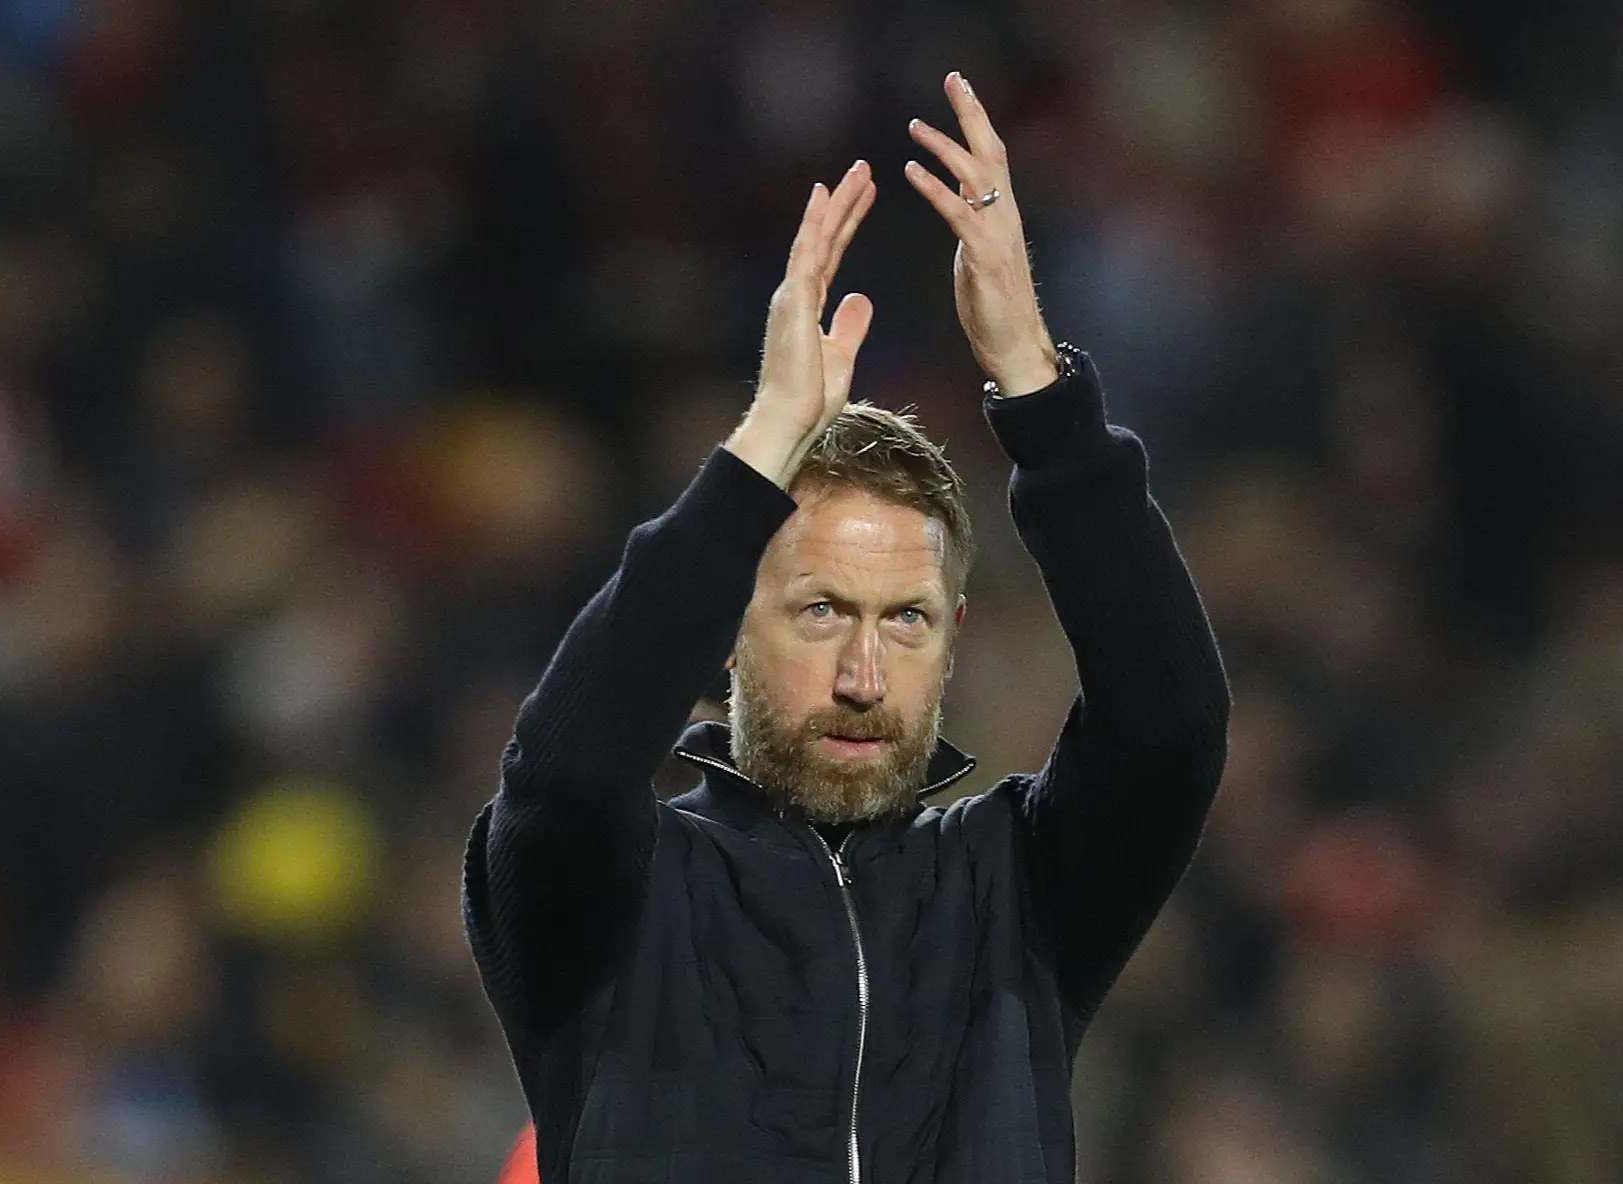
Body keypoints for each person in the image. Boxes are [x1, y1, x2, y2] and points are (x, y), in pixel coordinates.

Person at [463, 72, 1230, 1183]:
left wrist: (1037, 389)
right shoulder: (616, 899)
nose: (865, 672)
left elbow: (1171, 724)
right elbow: (567, 775)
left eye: (906, 620)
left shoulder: (1016, 887)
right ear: (725, 630)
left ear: (953, 638)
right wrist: (763, 444)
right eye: (822, 610)